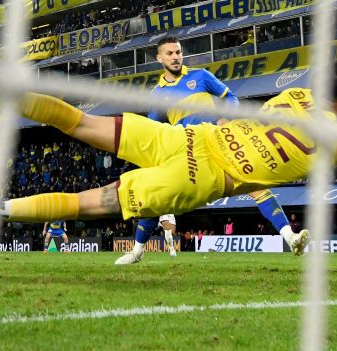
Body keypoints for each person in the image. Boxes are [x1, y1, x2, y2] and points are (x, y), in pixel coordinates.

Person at [0, 63, 337, 229]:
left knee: (80, 121)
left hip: (184, 137)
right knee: (92, 204)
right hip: (200, 175)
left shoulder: (294, 94)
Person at [115, 37, 305, 265]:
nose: (175, 57)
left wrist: (227, 117)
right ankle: (137, 251)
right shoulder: (157, 94)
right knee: (158, 197)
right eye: (169, 54)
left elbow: (231, 98)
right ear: (159, 59)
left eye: (178, 52)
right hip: (187, 150)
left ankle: (290, 237)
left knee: (257, 186)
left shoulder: (201, 76)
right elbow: (155, 129)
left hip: (219, 142)